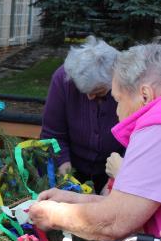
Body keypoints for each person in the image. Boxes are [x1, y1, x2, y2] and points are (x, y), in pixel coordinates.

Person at [29, 44, 161, 241]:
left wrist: (53, 215)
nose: (117, 113)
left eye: (117, 100)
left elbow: (115, 220)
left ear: (145, 95)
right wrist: (73, 198)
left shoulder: (154, 131)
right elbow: (129, 206)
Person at [40, 36, 124, 192]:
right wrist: (66, 176)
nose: (89, 97)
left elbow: (134, 138)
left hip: (116, 169)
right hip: (73, 167)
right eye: (83, 91)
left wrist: (114, 181)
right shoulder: (62, 79)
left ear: (113, 80)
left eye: (97, 91)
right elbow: (53, 134)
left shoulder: (126, 84)